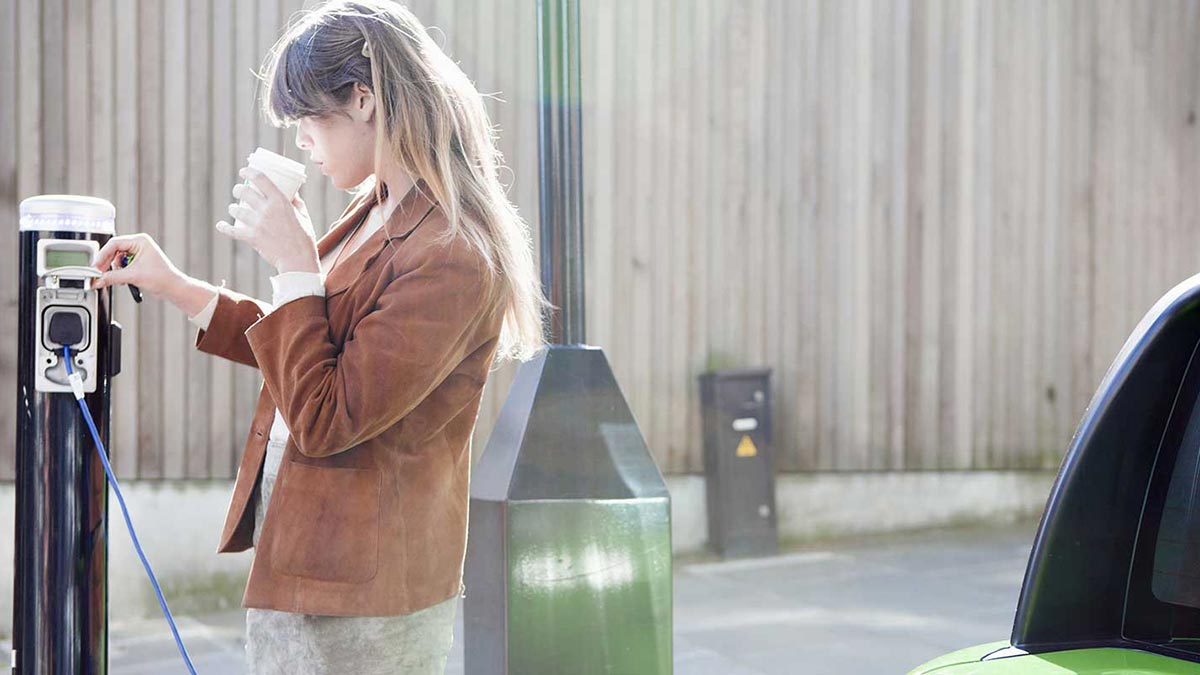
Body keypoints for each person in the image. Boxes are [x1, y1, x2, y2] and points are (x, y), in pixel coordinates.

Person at [90, 1, 548, 671]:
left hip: (364, 597)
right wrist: (177, 285)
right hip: (307, 564)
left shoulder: (451, 252)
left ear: (363, 99)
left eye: (309, 118)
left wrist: (296, 263)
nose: (300, 139)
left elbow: (329, 413)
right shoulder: (380, 208)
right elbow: (308, 350)